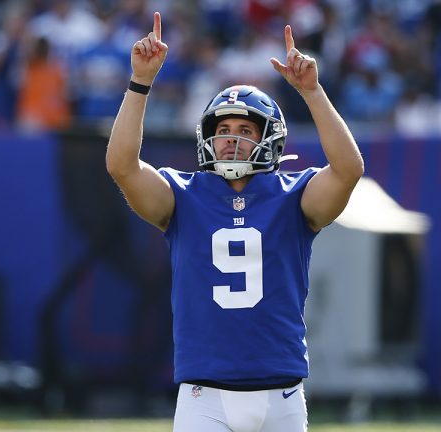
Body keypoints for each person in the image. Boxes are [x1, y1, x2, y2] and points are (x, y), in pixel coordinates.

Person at [106, 12, 364, 430]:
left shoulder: (293, 196)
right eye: (222, 127)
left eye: (245, 128)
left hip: (281, 393)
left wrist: (313, 92)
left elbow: (349, 169)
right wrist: (140, 83)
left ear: (270, 139)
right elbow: (121, 166)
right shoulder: (183, 195)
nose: (230, 137)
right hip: (204, 395)